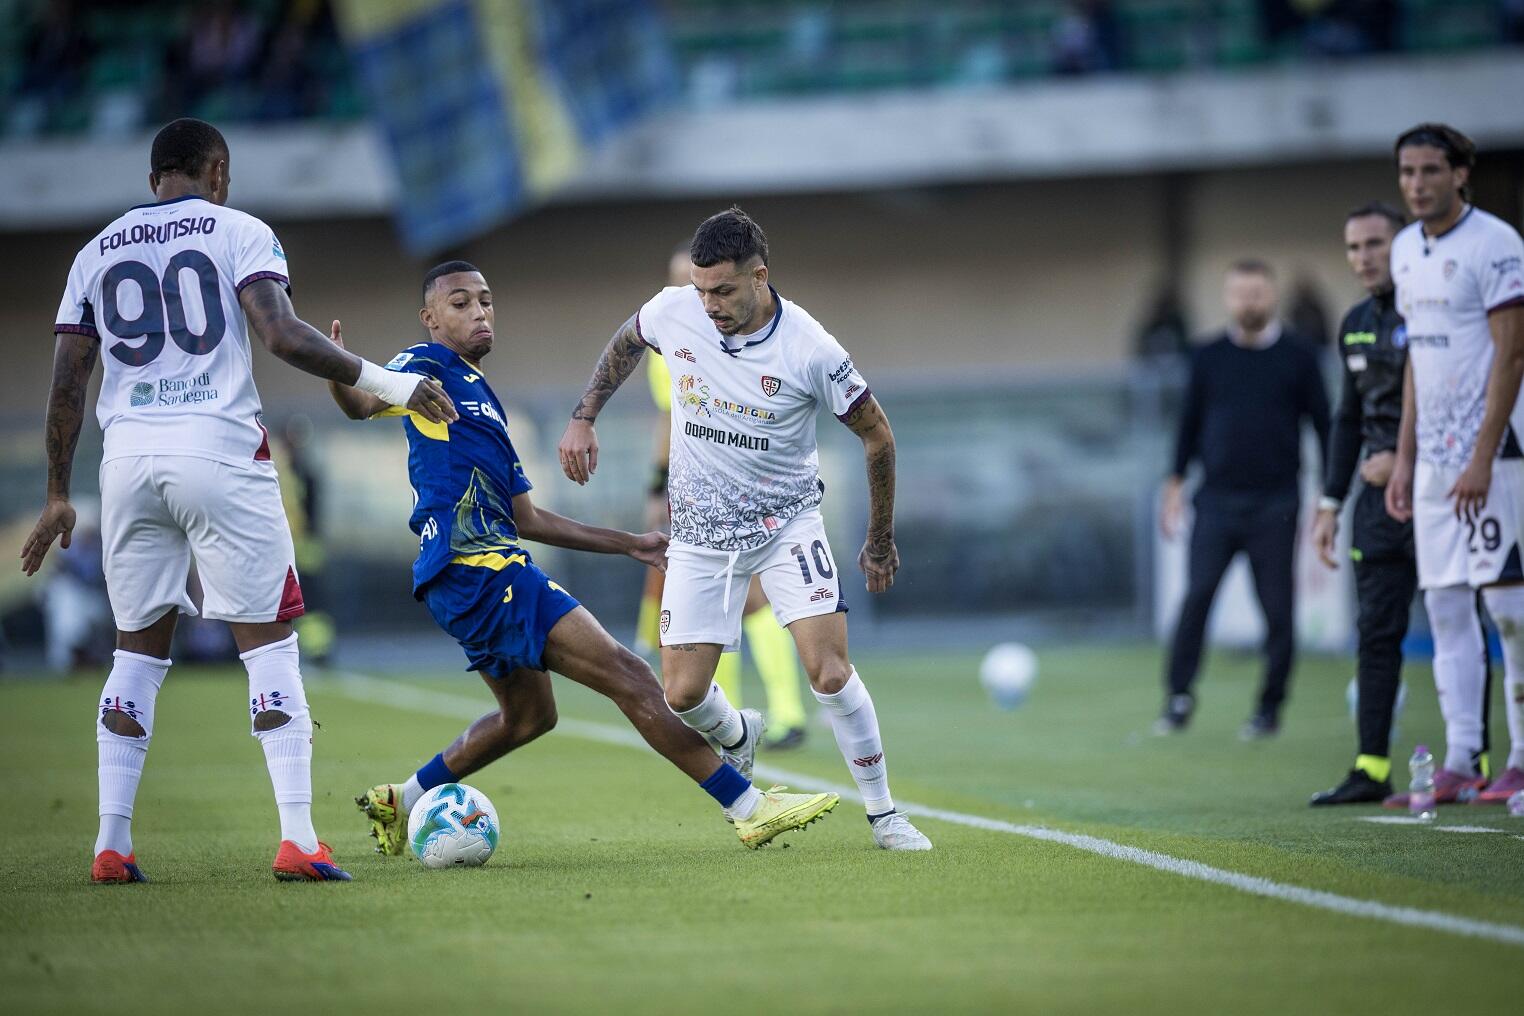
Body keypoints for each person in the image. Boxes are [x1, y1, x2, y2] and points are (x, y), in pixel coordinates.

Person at [20, 117, 457, 883]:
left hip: (126, 463)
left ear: (153, 177)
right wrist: (391, 384)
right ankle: (298, 839)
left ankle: (111, 845)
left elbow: (67, 380)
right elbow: (282, 335)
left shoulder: (96, 252)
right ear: (217, 171)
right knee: (270, 645)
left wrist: (58, 491)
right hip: (217, 449)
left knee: (135, 653)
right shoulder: (239, 230)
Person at [336, 261, 838, 852]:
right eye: (460, 303)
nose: (479, 312)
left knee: (530, 718)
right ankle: (749, 806)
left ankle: (403, 798)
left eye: (486, 300)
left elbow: (528, 519)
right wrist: (338, 367)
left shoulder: (485, 402)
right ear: (430, 318)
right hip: (479, 570)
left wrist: (630, 543)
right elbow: (360, 403)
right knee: (631, 676)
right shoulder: (427, 366)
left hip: (470, 578)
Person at [558, 207, 932, 851]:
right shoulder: (677, 310)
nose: (709, 305)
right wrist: (583, 416)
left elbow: (878, 436)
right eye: (701, 290)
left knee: (829, 673)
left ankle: (884, 814)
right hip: (699, 535)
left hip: (787, 525)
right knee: (681, 694)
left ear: (760, 277)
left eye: (723, 291)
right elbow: (626, 340)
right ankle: (738, 732)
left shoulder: (812, 350)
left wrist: (879, 539)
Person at [1384, 123, 1524, 807]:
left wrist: (1483, 456)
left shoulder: (1496, 244)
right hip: (1435, 463)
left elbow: (1513, 354)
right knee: (1443, 605)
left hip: (1494, 457)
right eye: (1407, 172)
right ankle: (1463, 758)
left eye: (1430, 171)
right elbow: (1419, 358)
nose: (1416, 184)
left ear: (1460, 174)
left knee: (1508, 607)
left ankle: (1521, 757)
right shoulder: (1405, 249)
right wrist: (1406, 457)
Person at [637, 242, 811, 749]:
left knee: (741, 596)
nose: (698, 297)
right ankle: (752, 714)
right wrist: (659, 486)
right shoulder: (675, 336)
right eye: (686, 286)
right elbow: (671, 418)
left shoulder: (735, 336)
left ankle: (772, 713)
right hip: (699, 484)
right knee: (733, 599)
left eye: (704, 287)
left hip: (736, 483)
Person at [1158, 260, 1331, 738]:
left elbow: (1324, 424)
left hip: (1276, 503)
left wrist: (1329, 493)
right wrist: (1175, 483)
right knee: (1197, 597)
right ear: (1227, 298)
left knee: (1277, 610)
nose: (1249, 302)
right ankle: (1177, 697)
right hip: (1215, 501)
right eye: (1240, 294)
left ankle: (1269, 708)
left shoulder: (1298, 356)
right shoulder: (1207, 356)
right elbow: (1188, 424)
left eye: (1257, 293)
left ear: (1271, 296)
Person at [1309, 201, 1417, 805]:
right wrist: (1330, 502)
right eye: (1354, 247)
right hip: (1376, 507)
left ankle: (1474, 762)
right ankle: (1371, 767)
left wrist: (1407, 460)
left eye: (1375, 244)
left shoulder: (1432, 311)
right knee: (1376, 632)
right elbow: (1347, 419)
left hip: (1438, 492)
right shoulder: (1353, 322)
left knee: (1463, 625)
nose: (1363, 257)